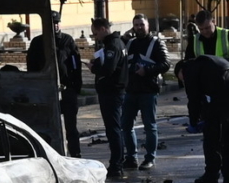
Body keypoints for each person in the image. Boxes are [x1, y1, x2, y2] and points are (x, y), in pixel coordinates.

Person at [178, 54, 229, 183]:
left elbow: (193, 98)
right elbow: (205, 98)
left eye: (180, 78)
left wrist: (193, 121)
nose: (182, 82)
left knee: (212, 139)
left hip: (226, 90)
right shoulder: (207, 63)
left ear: (181, 71)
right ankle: (228, 182)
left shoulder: (189, 69)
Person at [113, 14, 168, 170]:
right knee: (126, 125)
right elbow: (118, 53)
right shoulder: (130, 43)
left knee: (149, 126)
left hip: (148, 90)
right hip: (130, 90)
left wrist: (148, 70)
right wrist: (123, 37)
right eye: (136, 25)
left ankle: (150, 158)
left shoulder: (157, 43)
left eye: (141, 25)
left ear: (147, 25)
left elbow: (165, 64)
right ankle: (131, 158)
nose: (139, 28)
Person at [181, 8, 229, 131]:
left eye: (207, 28)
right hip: (205, 87)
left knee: (227, 124)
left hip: (226, 85)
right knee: (210, 124)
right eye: (201, 29)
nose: (205, 32)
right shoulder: (195, 40)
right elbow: (189, 62)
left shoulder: (227, 35)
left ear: (214, 22)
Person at [88, 17, 126, 167]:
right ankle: (118, 160)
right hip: (113, 91)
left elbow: (109, 69)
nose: (95, 37)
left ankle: (116, 163)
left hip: (112, 91)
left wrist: (94, 68)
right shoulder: (115, 43)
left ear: (103, 29)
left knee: (113, 129)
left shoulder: (113, 45)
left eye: (95, 34)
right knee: (114, 128)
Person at [53, 27, 85, 148]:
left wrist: (77, 85)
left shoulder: (67, 40)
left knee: (71, 126)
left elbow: (76, 63)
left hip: (68, 88)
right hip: (48, 89)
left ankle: (75, 152)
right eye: (52, 22)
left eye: (57, 23)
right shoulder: (39, 41)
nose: (55, 25)